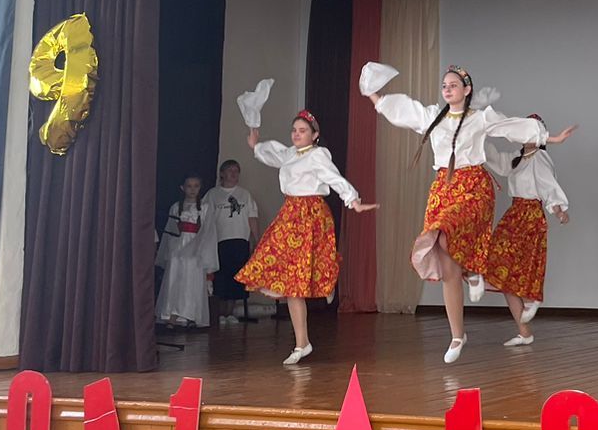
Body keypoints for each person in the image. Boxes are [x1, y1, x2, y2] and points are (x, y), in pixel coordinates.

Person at [369, 66, 574, 364]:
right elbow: (404, 111)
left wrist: (549, 138)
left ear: (467, 90)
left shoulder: (480, 118)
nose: (447, 89)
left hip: (474, 187)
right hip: (444, 187)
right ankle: (457, 334)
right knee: (444, 253)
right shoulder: (433, 117)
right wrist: (374, 96)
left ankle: (473, 272)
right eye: (444, 85)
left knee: (448, 230)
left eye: (454, 84)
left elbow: (511, 126)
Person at [235, 109, 374, 366]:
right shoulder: (289, 154)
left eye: (302, 131)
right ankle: (302, 343)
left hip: (311, 212)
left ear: (315, 135)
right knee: (288, 278)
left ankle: (325, 284)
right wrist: (256, 144)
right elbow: (271, 153)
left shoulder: (318, 154)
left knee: (300, 272)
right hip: (290, 212)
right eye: (294, 130)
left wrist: (352, 199)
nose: (297, 134)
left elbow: (334, 178)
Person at [482, 121, 572, 346]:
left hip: (531, 215)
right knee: (501, 268)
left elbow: (548, 185)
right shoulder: (517, 157)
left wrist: (559, 210)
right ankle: (524, 333)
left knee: (527, 263)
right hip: (515, 213)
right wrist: (477, 135)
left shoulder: (540, 158)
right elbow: (496, 160)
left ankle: (533, 299)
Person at [155, 173, 218, 329]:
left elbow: (208, 232)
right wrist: (171, 250)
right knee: (174, 280)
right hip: (178, 246)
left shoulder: (205, 208)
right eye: (189, 186)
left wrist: (199, 249)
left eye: (196, 186)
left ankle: (191, 315)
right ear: (183, 188)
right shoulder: (176, 207)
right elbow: (171, 230)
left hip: (196, 248)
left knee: (191, 281)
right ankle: (171, 315)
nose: (192, 190)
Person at [203, 158, 259, 323]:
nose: (234, 174)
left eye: (236, 171)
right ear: (222, 173)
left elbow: (252, 217)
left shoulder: (244, 194)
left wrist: (256, 239)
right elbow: (204, 218)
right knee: (221, 277)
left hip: (240, 240)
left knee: (236, 277)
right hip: (220, 241)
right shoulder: (213, 194)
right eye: (230, 171)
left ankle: (230, 313)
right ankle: (220, 313)